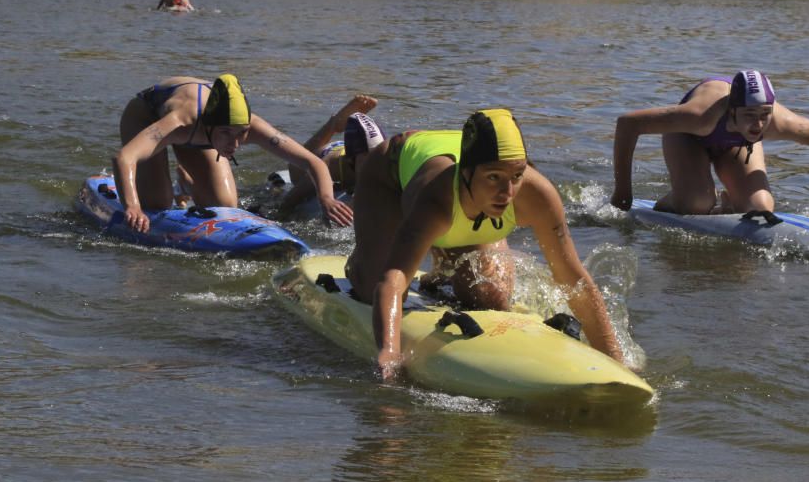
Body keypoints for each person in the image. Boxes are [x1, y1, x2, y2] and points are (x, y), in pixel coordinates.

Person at [345, 108, 626, 380]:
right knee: (372, 289)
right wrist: (389, 353)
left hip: (462, 175)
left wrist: (614, 359)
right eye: (494, 177)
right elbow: (393, 281)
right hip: (391, 174)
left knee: (490, 296)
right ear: (465, 173)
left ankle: (442, 262)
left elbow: (572, 277)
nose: (507, 193)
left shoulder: (537, 196)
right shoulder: (436, 202)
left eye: (516, 176)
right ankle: (359, 263)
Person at [113, 74, 353, 233]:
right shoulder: (181, 122)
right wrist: (132, 206)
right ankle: (169, 185)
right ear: (210, 126)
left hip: (202, 132)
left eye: (241, 134)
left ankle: (186, 183)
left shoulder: (249, 127)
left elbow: (311, 161)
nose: (235, 144)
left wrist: (326, 198)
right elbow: (124, 158)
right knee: (157, 204)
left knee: (224, 205)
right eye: (227, 134)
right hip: (147, 115)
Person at [611, 70, 809, 220]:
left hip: (736, 145)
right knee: (697, 203)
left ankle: (727, 205)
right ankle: (674, 199)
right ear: (732, 111)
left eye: (764, 114)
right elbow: (627, 124)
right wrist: (623, 193)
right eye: (750, 114)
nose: (758, 124)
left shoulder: (780, 122)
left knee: (760, 208)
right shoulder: (700, 116)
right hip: (687, 137)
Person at [278, 95, 382, 215]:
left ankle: (336, 123)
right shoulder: (331, 167)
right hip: (324, 155)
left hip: (349, 148)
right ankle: (334, 123)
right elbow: (292, 199)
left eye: (377, 158)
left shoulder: (384, 161)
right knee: (296, 168)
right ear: (351, 161)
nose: (374, 167)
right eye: (367, 161)